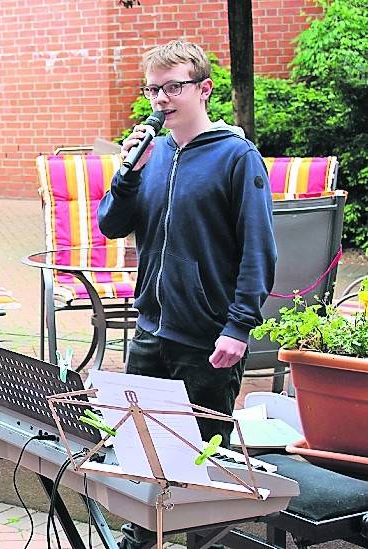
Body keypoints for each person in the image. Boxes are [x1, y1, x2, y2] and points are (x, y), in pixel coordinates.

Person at [97, 40, 276, 548]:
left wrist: (239, 326)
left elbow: (259, 252)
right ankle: (141, 537)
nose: (162, 99)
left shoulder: (236, 157)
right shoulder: (150, 156)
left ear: (203, 89)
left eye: (174, 87)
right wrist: (126, 174)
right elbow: (111, 223)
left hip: (208, 339)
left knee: (202, 468)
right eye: (154, 89)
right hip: (151, 330)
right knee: (145, 453)